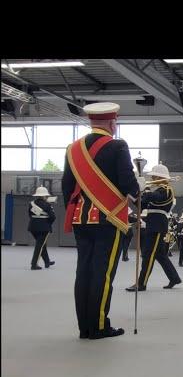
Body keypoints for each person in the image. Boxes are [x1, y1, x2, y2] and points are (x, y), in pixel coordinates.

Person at [62, 102, 139, 339]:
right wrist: (138, 191)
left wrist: (75, 213)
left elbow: (67, 185)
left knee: (83, 271)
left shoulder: (72, 148)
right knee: (103, 273)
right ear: (112, 122)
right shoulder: (117, 145)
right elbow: (127, 183)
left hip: (80, 218)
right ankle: (99, 326)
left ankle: (84, 327)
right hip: (109, 217)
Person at [126, 164, 182, 292]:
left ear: (159, 176)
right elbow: (141, 204)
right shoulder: (156, 190)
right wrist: (134, 193)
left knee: (148, 255)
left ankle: (141, 283)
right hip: (153, 223)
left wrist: (144, 189)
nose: (152, 178)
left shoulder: (166, 189)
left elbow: (155, 197)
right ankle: (174, 278)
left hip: (157, 224)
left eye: (154, 176)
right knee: (160, 255)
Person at [28, 186, 56, 270]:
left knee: (41, 244)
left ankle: (47, 261)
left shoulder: (31, 203)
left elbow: (29, 215)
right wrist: (48, 224)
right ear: (44, 196)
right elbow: (53, 217)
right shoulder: (47, 204)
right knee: (39, 246)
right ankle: (34, 264)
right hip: (44, 228)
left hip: (32, 227)